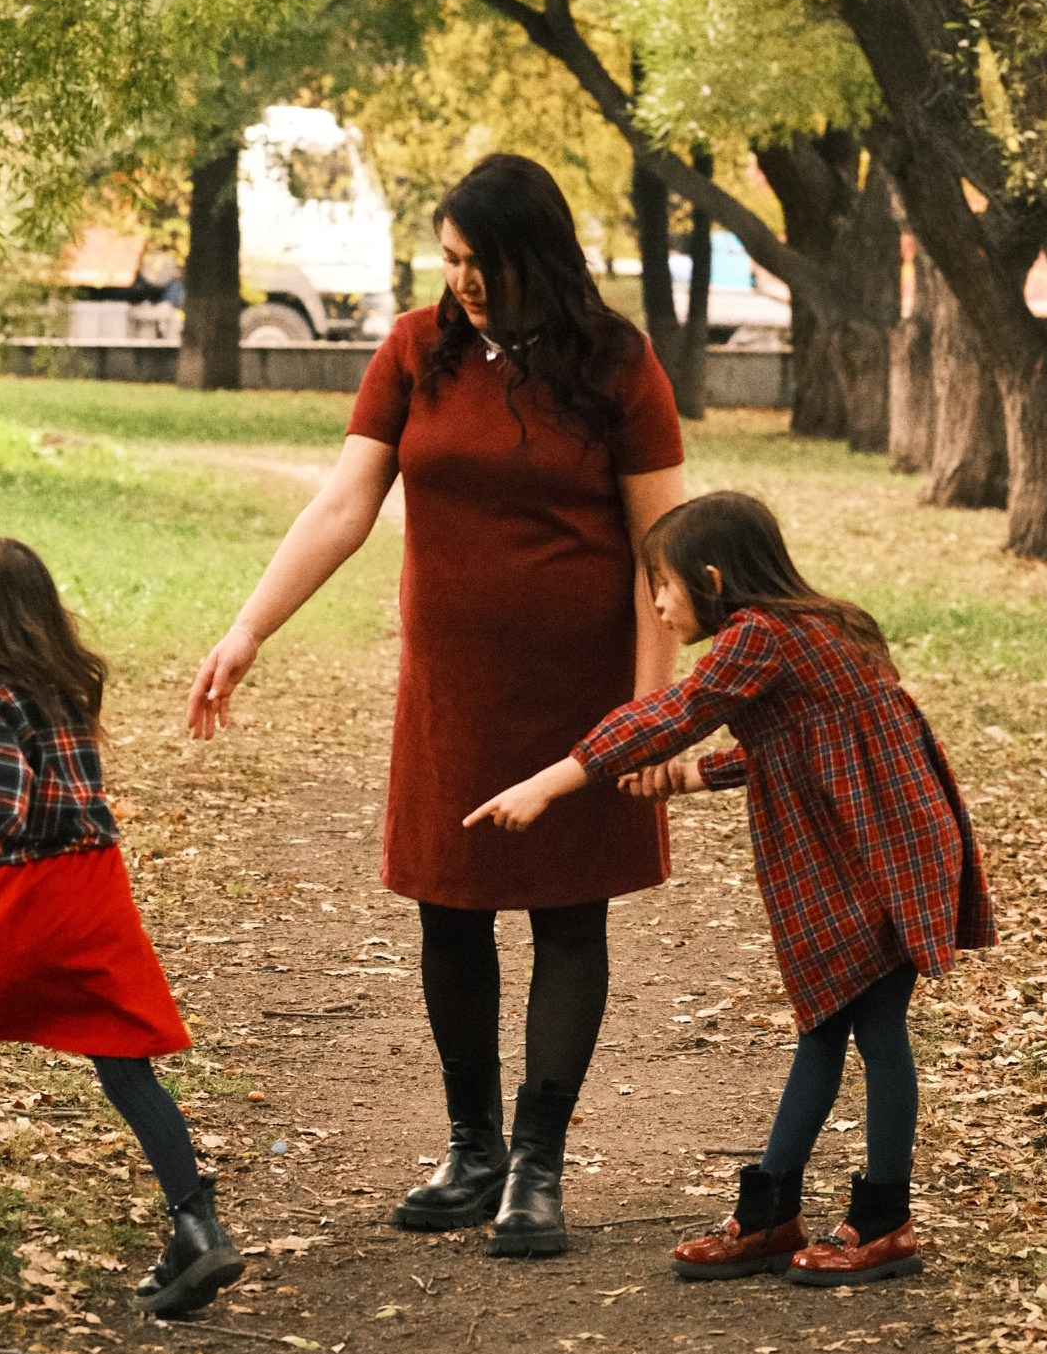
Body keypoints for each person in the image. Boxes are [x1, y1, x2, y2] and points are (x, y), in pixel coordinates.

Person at [188, 153, 687, 1258]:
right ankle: (473, 1154)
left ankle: (539, 1168)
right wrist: (248, 627)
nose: (460, 279)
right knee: (447, 906)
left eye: (480, 261)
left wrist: (653, 711)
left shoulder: (616, 362)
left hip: (583, 693)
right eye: (449, 258)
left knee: (569, 913)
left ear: (534, 256)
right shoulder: (419, 351)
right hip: (451, 694)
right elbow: (341, 504)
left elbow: (666, 552)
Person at [467, 488, 994, 1288]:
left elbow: (678, 710)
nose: (655, 603)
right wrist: (692, 777)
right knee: (826, 1021)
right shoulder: (819, 625)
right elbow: (810, 742)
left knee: (876, 1031)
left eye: (663, 585)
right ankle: (772, 1210)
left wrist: (552, 782)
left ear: (712, 577)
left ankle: (885, 1218)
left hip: (883, 851)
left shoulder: (760, 634)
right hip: (876, 842)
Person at [0, 538, 242, 1322]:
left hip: (35, 891)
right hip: (97, 883)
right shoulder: (61, 683)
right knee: (126, 1061)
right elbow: (34, 777)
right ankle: (197, 1227)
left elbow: (7, 791)